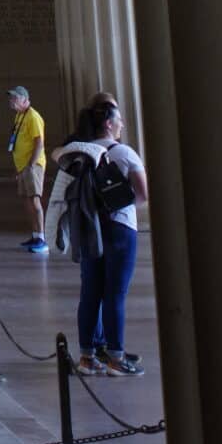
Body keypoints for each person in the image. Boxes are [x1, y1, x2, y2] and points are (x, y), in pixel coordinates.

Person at [48, 93, 149, 375]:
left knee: (90, 292)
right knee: (115, 293)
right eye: (118, 117)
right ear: (108, 122)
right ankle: (116, 358)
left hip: (89, 228)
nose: (122, 123)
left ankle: (87, 357)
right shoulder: (124, 153)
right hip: (119, 228)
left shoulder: (80, 153)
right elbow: (142, 194)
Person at [8, 83, 49, 253]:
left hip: (32, 165)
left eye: (15, 98)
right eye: (11, 98)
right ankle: (35, 234)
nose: (11, 101)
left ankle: (41, 237)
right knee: (26, 200)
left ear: (25, 100)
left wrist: (31, 164)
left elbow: (39, 142)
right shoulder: (19, 116)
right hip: (23, 166)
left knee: (34, 200)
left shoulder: (33, 116)